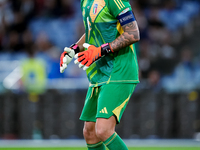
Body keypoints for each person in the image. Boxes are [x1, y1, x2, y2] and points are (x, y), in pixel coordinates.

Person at [60, 0, 140, 149]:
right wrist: (75, 48)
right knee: (90, 133)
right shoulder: (85, 2)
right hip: (100, 73)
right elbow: (92, 30)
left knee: (103, 130)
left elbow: (133, 33)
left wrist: (101, 50)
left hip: (119, 70)